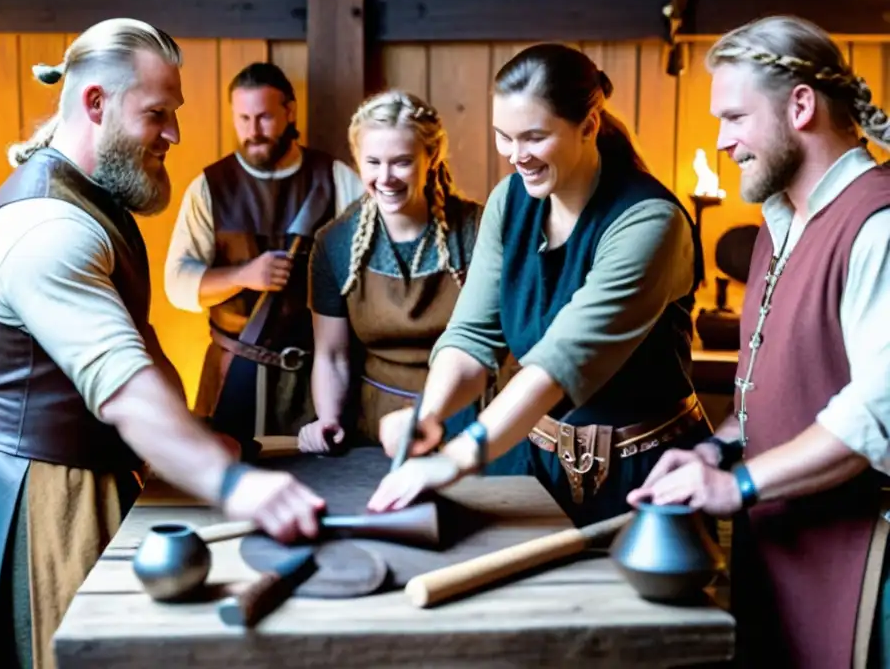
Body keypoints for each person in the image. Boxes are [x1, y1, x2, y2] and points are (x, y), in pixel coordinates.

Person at [0, 19, 326, 669]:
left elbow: (143, 348)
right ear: (96, 103)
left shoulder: (96, 203)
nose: (175, 134)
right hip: (46, 497)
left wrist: (200, 442)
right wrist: (231, 484)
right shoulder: (45, 227)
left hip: (87, 478)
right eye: (159, 114)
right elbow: (122, 386)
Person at [627, 15, 890, 669]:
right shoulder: (779, 223)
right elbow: (770, 390)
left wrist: (735, 487)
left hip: (867, 561)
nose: (722, 142)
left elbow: (874, 413)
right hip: (779, 544)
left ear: (800, 105)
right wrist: (714, 453)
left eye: (735, 118)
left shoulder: (878, 224)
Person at [367, 43, 711, 528]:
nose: (515, 157)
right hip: (533, 464)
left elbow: (561, 361)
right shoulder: (509, 202)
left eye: (534, 137)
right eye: (503, 137)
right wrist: (431, 413)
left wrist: (458, 457)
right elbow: (471, 336)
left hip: (647, 473)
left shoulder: (649, 222)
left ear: (589, 126)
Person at [297, 89, 529, 474]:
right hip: (375, 432)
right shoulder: (334, 244)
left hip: (472, 423)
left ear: (431, 157)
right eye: (372, 162)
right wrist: (328, 417)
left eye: (402, 162)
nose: (385, 177)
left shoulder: (478, 230)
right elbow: (332, 355)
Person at [164, 62, 363, 453]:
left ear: (289, 112)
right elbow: (178, 283)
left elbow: (365, 269)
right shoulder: (210, 187)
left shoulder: (337, 178)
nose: (253, 130)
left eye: (265, 117)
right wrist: (243, 275)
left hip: (316, 374)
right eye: (244, 118)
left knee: (322, 483)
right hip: (232, 372)